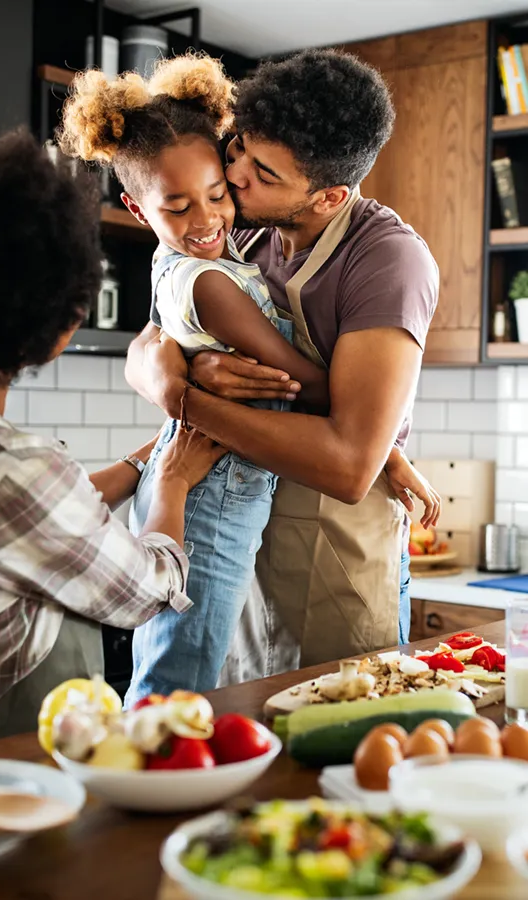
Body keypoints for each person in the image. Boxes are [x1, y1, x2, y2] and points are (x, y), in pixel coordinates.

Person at [125, 49, 441, 684]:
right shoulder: (241, 229)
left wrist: (185, 399)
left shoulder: (388, 262)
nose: (234, 175)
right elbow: (155, 339)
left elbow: (350, 466)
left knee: (340, 736)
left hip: (338, 546)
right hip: (245, 526)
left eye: (262, 171)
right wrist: (159, 371)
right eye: (239, 147)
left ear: (327, 196)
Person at [0, 129, 224, 754]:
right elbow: (143, 590)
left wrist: (143, 461)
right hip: (15, 764)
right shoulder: (14, 471)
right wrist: (171, 484)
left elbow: (20, 525)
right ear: (59, 325)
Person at [59, 56, 334, 704]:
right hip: (209, 495)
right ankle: (142, 796)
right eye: (178, 206)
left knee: (190, 674)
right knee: (175, 685)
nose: (208, 219)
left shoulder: (191, 260)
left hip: (200, 474)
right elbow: (308, 386)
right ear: (135, 206)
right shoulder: (211, 281)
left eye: (218, 195)